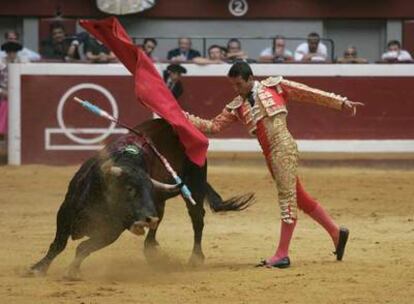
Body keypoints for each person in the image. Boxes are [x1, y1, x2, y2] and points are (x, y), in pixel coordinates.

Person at [184, 62, 364, 268]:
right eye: (233, 85)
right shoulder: (237, 106)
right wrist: (182, 117)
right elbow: (213, 126)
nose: (236, 89)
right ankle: (336, 233)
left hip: (283, 148)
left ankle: (282, 255)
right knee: (301, 199)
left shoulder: (274, 86)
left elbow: (307, 93)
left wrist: (340, 103)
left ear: (250, 78)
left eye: (239, 84)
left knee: (287, 200)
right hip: (270, 155)